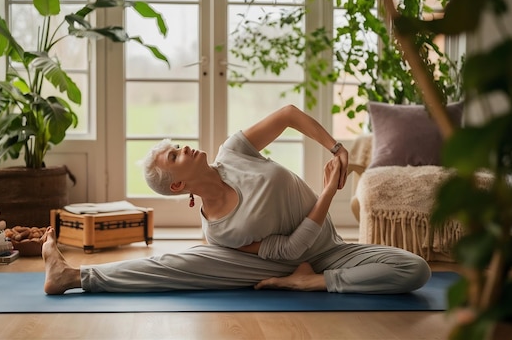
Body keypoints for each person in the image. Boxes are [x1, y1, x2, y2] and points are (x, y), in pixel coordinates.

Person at [42, 104, 430, 295]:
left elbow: (290, 115)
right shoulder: (222, 232)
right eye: (176, 156)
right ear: (177, 187)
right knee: (175, 264)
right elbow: (293, 247)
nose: (187, 149)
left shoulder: (233, 152)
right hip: (284, 259)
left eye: (178, 146)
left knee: (416, 270)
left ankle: (315, 281)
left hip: (330, 249)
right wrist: (328, 191)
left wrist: (337, 148)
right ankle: (73, 276)